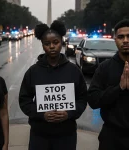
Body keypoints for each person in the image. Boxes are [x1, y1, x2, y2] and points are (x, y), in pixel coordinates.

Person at [19, 20, 87, 150]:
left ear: (62, 42)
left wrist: (69, 114)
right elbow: (24, 100)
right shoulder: (33, 72)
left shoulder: (74, 70)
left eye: (55, 42)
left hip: (66, 135)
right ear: (43, 45)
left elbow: (82, 99)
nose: (51, 46)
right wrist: (41, 115)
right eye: (47, 43)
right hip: (39, 135)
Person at [88, 19, 129, 150]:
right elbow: (93, 100)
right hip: (112, 137)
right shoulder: (105, 68)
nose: (126, 40)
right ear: (115, 39)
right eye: (121, 37)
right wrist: (119, 88)